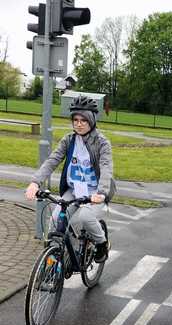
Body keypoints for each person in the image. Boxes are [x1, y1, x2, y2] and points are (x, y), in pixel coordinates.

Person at [25, 95, 115, 261]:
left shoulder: (102, 143)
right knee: (55, 221)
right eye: (75, 120)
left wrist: (101, 193)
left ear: (92, 120)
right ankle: (56, 263)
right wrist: (35, 182)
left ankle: (102, 243)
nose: (79, 124)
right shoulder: (69, 140)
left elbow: (106, 168)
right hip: (74, 190)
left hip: (95, 192)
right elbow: (52, 161)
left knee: (85, 217)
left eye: (84, 120)